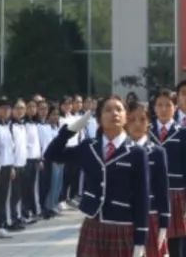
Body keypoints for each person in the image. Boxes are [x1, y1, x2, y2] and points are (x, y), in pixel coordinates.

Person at [44, 96, 149, 257]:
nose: (114, 113)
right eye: (108, 110)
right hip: (93, 225)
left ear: (126, 117)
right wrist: (70, 131)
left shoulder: (137, 152)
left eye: (119, 109)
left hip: (122, 226)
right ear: (99, 118)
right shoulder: (88, 147)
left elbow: (142, 197)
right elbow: (52, 154)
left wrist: (141, 239)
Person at [151, 89, 186, 257]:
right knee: (151, 243)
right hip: (151, 194)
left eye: (168, 105)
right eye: (159, 105)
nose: (163, 109)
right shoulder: (146, 132)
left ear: (175, 107)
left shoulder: (183, 133)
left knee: (175, 244)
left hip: (175, 193)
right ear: (154, 108)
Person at [127, 100, 169, 257]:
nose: (137, 124)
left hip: (150, 216)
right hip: (125, 218)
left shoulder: (157, 152)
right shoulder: (119, 151)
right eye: (132, 119)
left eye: (142, 119)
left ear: (149, 123)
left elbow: (163, 190)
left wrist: (164, 224)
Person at [0, 100, 20, 236]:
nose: (6, 111)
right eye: (3, 108)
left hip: (8, 165)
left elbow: (11, 148)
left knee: (4, 197)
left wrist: (13, 167)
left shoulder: (8, 126)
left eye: (8, 109)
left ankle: (2, 224)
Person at [9, 99, 30, 228]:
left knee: (20, 193)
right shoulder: (10, 125)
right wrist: (12, 166)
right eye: (17, 108)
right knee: (12, 194)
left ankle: (17, 215)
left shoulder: (23, 125)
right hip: (14, 165)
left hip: (23, 164)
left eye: (22, 108)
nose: (20, 111)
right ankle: (11, 218)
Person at [22, 99, 43, 223]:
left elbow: (37, 143)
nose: (32, 109)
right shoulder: (22, 124)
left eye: (34, 107)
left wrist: (40, 158)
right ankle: (26, 211)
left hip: (35, 158)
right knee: (25, 188)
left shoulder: (35, 124)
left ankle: (33, 210)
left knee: (32, 187)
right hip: (26, 159)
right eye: (29, 107)